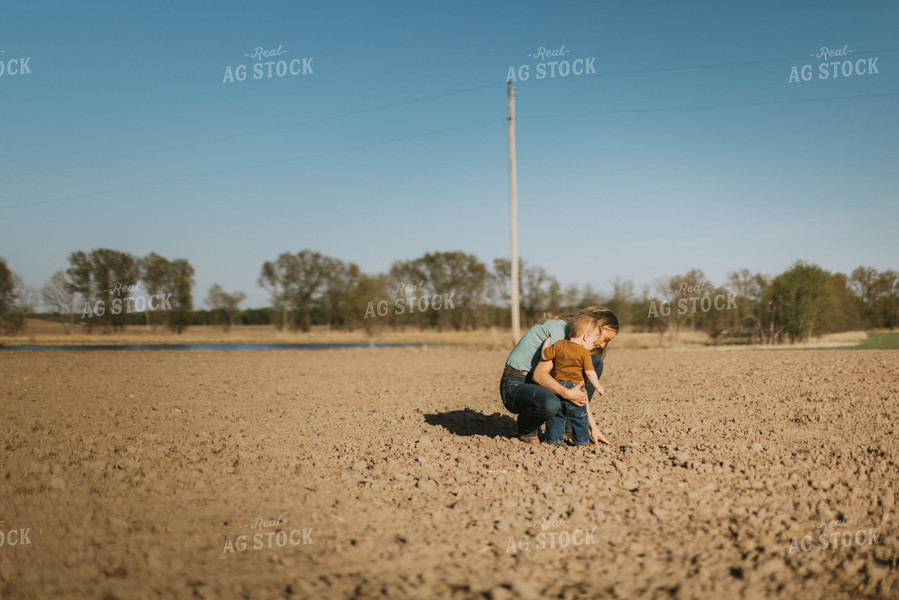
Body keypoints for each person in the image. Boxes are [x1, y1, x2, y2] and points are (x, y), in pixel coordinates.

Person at [499, 307, 618, 445]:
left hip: (536, 382)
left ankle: (569, 428)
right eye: (605, 339)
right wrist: (567, 394)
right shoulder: (562, 334)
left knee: (594, 363)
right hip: (516, 384)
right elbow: (539, 375)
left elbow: (578, 387)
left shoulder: (575, 339)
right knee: (551, 404)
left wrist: (593, 427)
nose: (603, 345)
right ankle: (527, 429)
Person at [540, 314, 611, 446]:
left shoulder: (560, 344)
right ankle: (582, 442)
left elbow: (545, 355)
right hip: (575, 387)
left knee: (557, 416)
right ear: (586, 337)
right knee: (579, 416)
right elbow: (590, 373)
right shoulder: (584, 353)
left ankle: (553, 441)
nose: (593, 345)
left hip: (558, 386)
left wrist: (546, 344)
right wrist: (598, 386)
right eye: (593, 341)